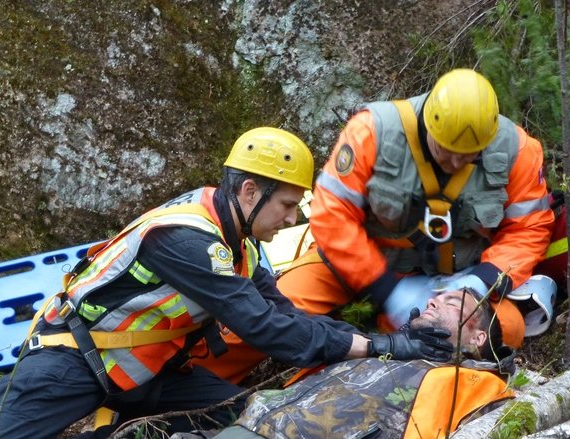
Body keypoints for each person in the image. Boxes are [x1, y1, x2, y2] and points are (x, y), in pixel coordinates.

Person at [0, 127, 455, 439]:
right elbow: (265, 329)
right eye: (287, 205)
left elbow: (285, 314)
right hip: (73, 363)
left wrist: (385, 344)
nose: (293, 219)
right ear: (250, 191)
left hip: (148, 374)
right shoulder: (187, 240)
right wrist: (378, 345)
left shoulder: (238, 242)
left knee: (244, 415)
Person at [196, 69, 554, 384]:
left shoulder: (518, 151)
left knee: (506, 327)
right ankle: (194, 383)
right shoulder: (373, 132)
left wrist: (480, 283)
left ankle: (409, 381)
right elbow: (332, 215)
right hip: (357, 262)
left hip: (460, 275)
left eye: (469, 154)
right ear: (429, 124)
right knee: (272, 310)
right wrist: (386, 289)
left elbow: (529, 228)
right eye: (446, 150)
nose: (456, 161)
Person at [210, 288, 516, 439]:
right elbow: (310, 331)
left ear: (478, 338)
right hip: (248, 424)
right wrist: (391, 343)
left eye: (453, 303)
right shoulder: (381, 346)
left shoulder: (477, 384)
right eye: (436, 296)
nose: (432, 300)